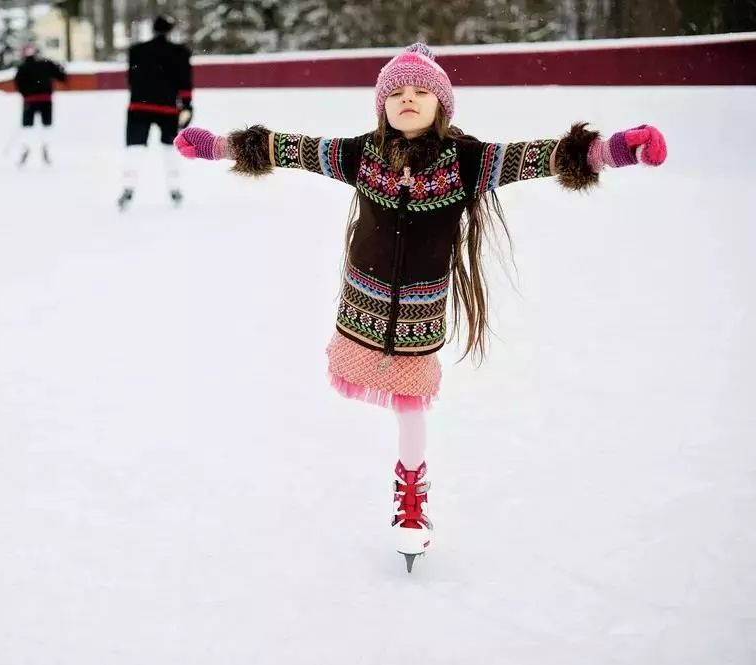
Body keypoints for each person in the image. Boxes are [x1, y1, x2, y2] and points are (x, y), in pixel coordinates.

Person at [173, 43, 667, 572]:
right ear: (382, 104)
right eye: (397, 92)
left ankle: (411, 498)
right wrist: (220, 146)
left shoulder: (467, 162)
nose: (408, 99)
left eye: (421, 92)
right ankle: (406, 490)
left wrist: (615, 150)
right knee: (387, 394)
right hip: (362, 305)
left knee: (410, 403)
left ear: (442, 106)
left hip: (418, 314)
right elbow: (291, 148)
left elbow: (538, 157)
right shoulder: (361, 154)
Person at [118, 14, 194, 210]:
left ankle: (128, 187)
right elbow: (185, 81)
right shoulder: (180, 53)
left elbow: (131, 77)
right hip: (167, 107)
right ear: (170, 30)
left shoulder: (137, 51)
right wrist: (187, 105)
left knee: (135, 148)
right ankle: (175, 189)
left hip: (139, 106)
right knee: (170, 148)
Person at [13, 43, 68, 166]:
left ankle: (27, 149)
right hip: (45, 100)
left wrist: (25, 94)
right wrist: (61, 68)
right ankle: (45, 148)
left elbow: (18, 83)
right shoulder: (47, 64)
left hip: (30, 101)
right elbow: (62, 77)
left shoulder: (23, 66)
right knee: (45, 126)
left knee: (28, 127)